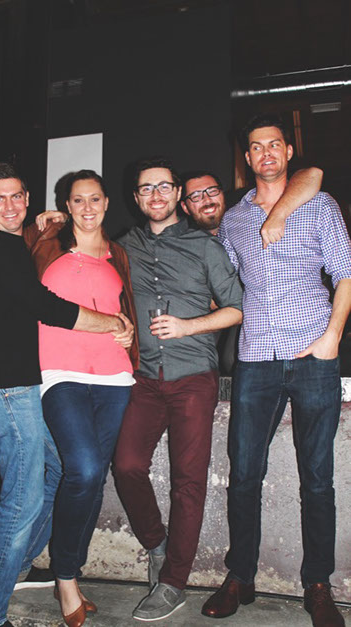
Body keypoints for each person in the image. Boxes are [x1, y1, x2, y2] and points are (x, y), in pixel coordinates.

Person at [201, 114, 351, 627]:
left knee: (317, 480)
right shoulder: (234, 220)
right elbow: (222, 282)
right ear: (246, 157)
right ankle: (240, 576)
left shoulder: (319, 205)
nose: (265, 153)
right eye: (256, 146)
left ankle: (318, 585)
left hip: (313, 355)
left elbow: (346, 274)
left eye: (274, 145)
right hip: (256, 359)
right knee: (244, 475)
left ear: (288, 152)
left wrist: (332, 338)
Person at [0, 163, 128, 627]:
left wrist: (51, 220)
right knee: (21, 504)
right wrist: (111, 323)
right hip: (6, 391)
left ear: (28, 198)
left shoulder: (13, 244)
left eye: (16, 196)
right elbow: (46, 307)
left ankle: (9, 566)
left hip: (22, 387)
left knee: (62, 469)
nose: (9, 205)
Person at [111, 157, 243, 622]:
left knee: (189, 482)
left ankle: (173, 582)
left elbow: (237, 308)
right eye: (146, 188)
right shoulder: (121, 248)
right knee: (126, 465)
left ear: (177, 194)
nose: (156, 195)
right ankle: (156, 543)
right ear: (136, 197)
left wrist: (188, 326)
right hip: (144, 378)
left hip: (193, 378)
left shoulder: (205, 246)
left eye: (164, 187)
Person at [22, 170, 138, 627]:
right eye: (78, 200)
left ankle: (69, 572)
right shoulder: (46, 242)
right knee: (84, 469)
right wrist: (26, 223)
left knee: (94, 478)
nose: (87, 207)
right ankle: (65, 577)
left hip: (114, 375)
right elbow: (3, 250)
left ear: (106, 203)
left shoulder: (119, 254)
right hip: (58, 371)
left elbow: (123, 308)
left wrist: (128, 332)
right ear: (66, 205)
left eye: (94, 199)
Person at [179, 167, 323, 374]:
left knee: (232, 358)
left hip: (282, 317)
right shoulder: (185, 245)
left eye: (212, 191)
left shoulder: (245, 209)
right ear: (185, 206)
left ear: (222, 193)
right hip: (225, 319)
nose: (207, 200)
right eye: (196, 196)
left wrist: (279, 214)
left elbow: (313, 175)